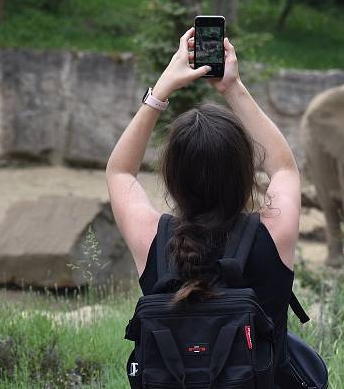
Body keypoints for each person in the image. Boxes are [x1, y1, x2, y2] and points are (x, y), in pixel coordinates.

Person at [106, 28, 300, 376]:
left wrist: (162, 89)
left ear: (172, 176)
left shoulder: (152, 238)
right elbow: (284, 166)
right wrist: (233, 88)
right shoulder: (275, 232)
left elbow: (120, 172)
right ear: (244, 171)